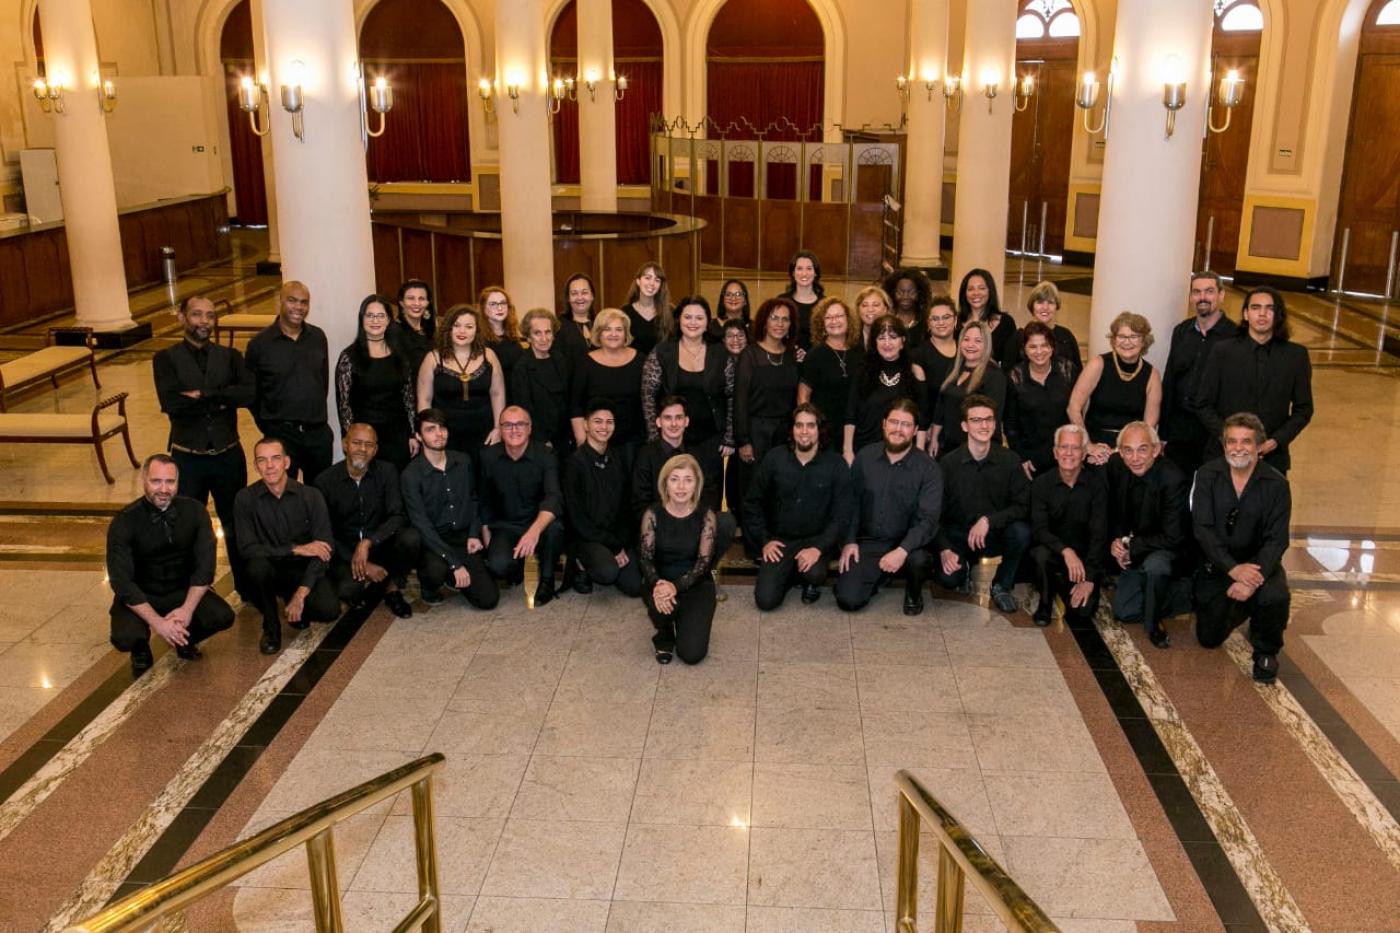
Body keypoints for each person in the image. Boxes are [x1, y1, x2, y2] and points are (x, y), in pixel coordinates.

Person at [152, 294, 255, 597]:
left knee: (235, 524)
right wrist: (223, 397)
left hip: (228, 456)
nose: (204, 322)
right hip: (188, 459)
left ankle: (247, 588)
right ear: (182, 317)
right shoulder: (165, 359)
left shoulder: (231, 356)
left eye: (210, 316)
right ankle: (193, 591)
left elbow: (247, 394)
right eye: (197, 315)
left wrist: (203, 394)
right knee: (189, 527)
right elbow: (171, 403)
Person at [107, 455, 235, 675]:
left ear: (178, 482)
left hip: (181, 590)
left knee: (222, 616)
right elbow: (122, 582)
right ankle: (140, 648)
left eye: (170, 482)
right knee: (124, 637)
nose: (163, 489)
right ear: (144, 480)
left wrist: (186, 610)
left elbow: (205, 568)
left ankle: (182, 638)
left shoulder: (195, 512)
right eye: (156, 481)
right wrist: (158, 623)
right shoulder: (124, 521)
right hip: (142, 592)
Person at [1193, 413, 1293, 683]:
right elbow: (1202, 529)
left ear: (1259, 446)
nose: (1238, 448)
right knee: (1209, 638)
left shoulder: (1276, 485)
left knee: (1275, 597)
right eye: (1232, 442)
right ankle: (1243, 607)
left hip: (1259, 563)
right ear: (1224, 445)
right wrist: (1233, 569)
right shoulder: (1207, 476)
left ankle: (1266, 652)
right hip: (1220, 563)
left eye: (1246, 442)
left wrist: (1251, 578)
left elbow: (1277, 539)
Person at [235, 437, 341, 654]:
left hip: (301, 570)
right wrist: (296, 548)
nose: (270, 466)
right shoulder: (245, 499)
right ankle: (271, 626)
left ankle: (295, 606)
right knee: (256, 567)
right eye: (262, 460)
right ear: (256, 466)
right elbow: (247, 549)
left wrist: (301, 594)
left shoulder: (311, 496)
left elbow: (324, 547)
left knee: (329, 610)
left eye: (276, 458)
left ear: (287, 462)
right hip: (269, 569)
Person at [836, 399, 941, 615]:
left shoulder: (929, 468)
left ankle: (913, 591)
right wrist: (849, 541)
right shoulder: (865, 457)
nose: (898, 430)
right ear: (884, 424)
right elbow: (851, 503)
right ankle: (880, 575)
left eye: (906, 424)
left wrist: (902, 550)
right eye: (894, 422)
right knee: (848, 600)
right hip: (870, 543)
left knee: (919, 560)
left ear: (914, 431)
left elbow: (928, 520)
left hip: (908, 544)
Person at [1194, 287, 1313, 474]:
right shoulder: (1222, 351)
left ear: (1278, 315)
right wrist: (1231, 439)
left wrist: (1275, 441)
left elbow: (1304, 409)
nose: (1262, 313)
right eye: (1256, 307)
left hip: (1272, 458)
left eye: (1269, 308)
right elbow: (1202, 404)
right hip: (1223, 455)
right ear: (1246, 314)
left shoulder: (1296, 356)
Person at [747, 404, 851, 609]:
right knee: (765, 601)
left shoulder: (836, 464)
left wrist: (818, 548)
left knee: (815, 573)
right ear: (792, 429)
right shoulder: (774, 459)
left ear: (819, 430)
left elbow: (842, 514)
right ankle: (790, 575)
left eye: (811, 426)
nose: (804, 432)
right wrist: (765, 541)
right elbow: (752, 502)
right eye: (799, 425)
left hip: (816, 539)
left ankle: (807, 579)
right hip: (781, 540)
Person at [934, 395, 1031, 614]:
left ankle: (1002, 585)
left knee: (1022, 532)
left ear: (995, 424)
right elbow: (934, 514)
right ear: (964, 425)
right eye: (976, 420)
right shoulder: (948, 464)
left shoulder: (1010, 461)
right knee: (947, 579)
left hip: (995, 534)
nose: (984, 425)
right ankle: (966, 565)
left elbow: (1023, 506)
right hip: (959, 535)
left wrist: (989, 520)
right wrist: (944, 549)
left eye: (988, 419)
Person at [313, 424, 418, 618]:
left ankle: (392, 589)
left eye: (368, 444)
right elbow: (324, 532)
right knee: (349, 591)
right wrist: (356, 558)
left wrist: (368, 543)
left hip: (378, 543)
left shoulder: (387, 472)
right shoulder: (324, 482)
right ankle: (366, 582)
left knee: (411, 538)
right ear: (345, 445)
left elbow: (398, 516)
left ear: (376, 450)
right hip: (344, 550)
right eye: (356, 443)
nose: (362, 449)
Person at [400, 408, 500, 610]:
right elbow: (421, 525)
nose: (439, 434)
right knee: (435, 570)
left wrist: (474, 534)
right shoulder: (411, 475)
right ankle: (430, 585)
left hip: (463, 538)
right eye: (430, 429)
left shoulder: (463, 461)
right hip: (433, 542)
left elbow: (473, 499)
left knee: (488, 600)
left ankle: (453, 577)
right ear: (418, 436)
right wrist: (455, 563)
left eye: (442, 428)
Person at [1105, 422, 1191, 649]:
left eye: (1142, 449)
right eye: (1128, 450)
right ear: (1120, 452)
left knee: (1156, 568)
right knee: (1124, 611)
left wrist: (1130, 545)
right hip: (1136, 545)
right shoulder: (1116, 465)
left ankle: (1155, 624)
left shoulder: (1173, 479)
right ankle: (1162, 592)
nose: (1135, 458)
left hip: (1166, 549)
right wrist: (1116, 541)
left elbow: (1173, 536)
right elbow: (1112, 509)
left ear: (1156, 450)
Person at [641, 295, 734, 500]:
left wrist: (729, 435)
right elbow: (648, 394)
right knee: (673, 494)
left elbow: (731, 396)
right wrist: (655, 436)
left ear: (707, 322)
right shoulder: (663, 351)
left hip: (711, 439)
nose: (693, 323)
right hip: (673, 438)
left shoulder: (720, 353)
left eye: (699, 318)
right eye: (687, 317)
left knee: (708, 495)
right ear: (679, 320)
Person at [477, 406, 565, 605]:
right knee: (498, 565)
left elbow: (554, 498)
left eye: (520, 425)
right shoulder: (488, 457)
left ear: (530, 428)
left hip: (539, 523)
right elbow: (484, 500)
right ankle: (515, 566)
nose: (514, 430)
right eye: (507, 425)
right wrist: (486, 535)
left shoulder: (546, 455)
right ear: (499, 429)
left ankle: (547, 580)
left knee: (556, 529)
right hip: (505, 525)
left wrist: (533, 531)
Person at [734, 298, 802, 556]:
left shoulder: (794, 355)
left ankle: (779, 546)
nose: (779, 323)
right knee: (754, 492)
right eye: (774, 317)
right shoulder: (749, 355)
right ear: (764, 320)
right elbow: (739, 401)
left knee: (782, 490)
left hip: (785, 434)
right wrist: (743, 440)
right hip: (755, 432)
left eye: (785, 319)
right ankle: (755, 548)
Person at [246, 281, 333, 482]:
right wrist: (269, 426)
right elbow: (252, 394)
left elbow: (323, 382)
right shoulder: (259, 344)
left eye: (304, 302)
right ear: (280, 301)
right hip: (281, 436)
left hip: (317, 433)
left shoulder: (318, 337)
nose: (299, 307)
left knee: (319, 497)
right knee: (284, 496)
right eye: (292, 301)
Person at [640, 455, 719, 665]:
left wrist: (675, 587)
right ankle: (664, 636)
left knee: (691, 654)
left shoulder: (706, 515)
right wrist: (658, 586)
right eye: (674, 479)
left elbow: (703, 564)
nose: (681, 486)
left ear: (697, 485)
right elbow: (646, 558)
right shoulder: (652, 513)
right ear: (665, 483)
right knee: (660, 607)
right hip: (660, 581)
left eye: (688, 479)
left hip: (695, 584)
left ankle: (683, 620)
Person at [633, 396, 736, 554]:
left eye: (679, 418)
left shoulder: (699, 454)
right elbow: (640, 500)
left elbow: (709, 493)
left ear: (686, 421)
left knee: (725, 522)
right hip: (660, 527)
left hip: (692, 524)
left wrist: (692, 519)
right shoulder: (645, 455)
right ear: (658, 422)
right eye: (668, 418)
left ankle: (705, 568)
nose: (674, 424)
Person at [562, 400, 642, 597]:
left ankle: (607, 558)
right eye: (598, 421)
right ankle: (581, 565)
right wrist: (614, 546)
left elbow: (626, 505)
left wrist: (621, 542)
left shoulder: (618, 458)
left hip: (614, 535)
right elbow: (576, 518)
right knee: (608, 572)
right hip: (586, 536)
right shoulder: (574, 463)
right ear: (586, 425)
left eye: (609, 422)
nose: (604, 427)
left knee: (635, 586)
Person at [1160, 271, 1238, 474]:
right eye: (1197, 292)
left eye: (1209, 291)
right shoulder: (1181, 331)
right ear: (1191, 297)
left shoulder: (1236, 336)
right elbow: (1170, 381)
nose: (1202, 297)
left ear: (1221, 295)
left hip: (1214, 431)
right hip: (1180, 429)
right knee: (1178, 487)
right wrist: (1164, 432)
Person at [1028, 425, 1106, 626]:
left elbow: (1099, 534)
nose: (1069, 453)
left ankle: (1068, 583)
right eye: (1063, 447)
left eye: (1075, 448)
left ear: (1083, 453)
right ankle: (1045, 603)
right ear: (1055, 452)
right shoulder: (1041, 484)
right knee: (1040, 554)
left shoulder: (1097, 486)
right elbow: (1039, 530)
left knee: (1082, 613)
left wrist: (1089, 577)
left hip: (1085, 557)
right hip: (1054, 551)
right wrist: (1066, 551)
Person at [335, 294, 417, 471]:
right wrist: (351, 438)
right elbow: (344, 404)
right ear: (362, 319)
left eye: (380, 315)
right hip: (365, 437)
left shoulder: (400, 355)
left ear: (388, 320)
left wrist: (412, 434)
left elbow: (408, 397)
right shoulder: (349, 357)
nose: (375, 320)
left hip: (397, 434)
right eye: (370, 315)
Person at [1069, 311, 1162, 465]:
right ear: (1113, 340)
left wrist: (1118, 452)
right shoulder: (1098, 364)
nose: (1127, 342)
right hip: (1094, 442)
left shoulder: (1152, 375)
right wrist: (1089, 446)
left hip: (1131, 448)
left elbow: (1148, 427)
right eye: (1122, 336)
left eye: (1134, 336)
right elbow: (1073, 407)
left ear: (1144, 341)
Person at [416, 304, 506, 458]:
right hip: (445, 435)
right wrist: (428, 433)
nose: (462, 331)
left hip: (485, 434)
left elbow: (497, 394)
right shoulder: (433, 358)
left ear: (477, 330)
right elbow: (424, 400)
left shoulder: (489, 356)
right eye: (456, 325)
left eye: (469, 326)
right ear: (448, 329)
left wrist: (498, 428)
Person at [570, 307, 647, 470]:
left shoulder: (640, 361)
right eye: (607, 329)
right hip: (597, 441)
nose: (613, 334)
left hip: (633, 443)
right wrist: (583, 444)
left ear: (626, 333)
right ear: (598, 333)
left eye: (618, 329)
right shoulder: (585, 363)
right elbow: (575, 406)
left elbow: (648, 401)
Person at [844, 315, 927, 461]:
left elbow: (921, 420)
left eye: (893, 337)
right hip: (864, 451)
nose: (887, 343)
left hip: (904, 453)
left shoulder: (916, 372)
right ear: (874, 342)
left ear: (902, 341)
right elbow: (850, 414)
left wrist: (919, 457)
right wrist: (848, 451)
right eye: (881, 338)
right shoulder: (862, 371)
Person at [1005, 321, 1078, 479]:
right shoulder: (1015, 376)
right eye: (1032, 346)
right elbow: (1011, 424)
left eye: (1044, 345)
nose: (1039, 351)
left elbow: (1080, 410)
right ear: (1024, 348)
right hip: (1031, 457)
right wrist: (1021, 458)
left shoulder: (1069, 370)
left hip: (1066, 453)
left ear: (1052, 346)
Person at [930, 320, 1006, 457]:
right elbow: (940, 407)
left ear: (986, 345)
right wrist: (934, 438)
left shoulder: (994, 375)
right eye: (966, 339)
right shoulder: (954, 368)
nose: (971, 345)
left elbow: (992, 418)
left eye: (978, 341)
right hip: (947, 447)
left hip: (974, 451)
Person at [510, 308, 574, 454]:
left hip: (565, 438)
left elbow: (568, 400)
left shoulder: (561, 360)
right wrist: (542, 440)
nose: (544, 338)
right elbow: (524, 408)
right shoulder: (521, 367)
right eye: (537, 333)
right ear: (528, 336)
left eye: (548, 332)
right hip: (539, 440)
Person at [798, 296, 861, 440]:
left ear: (848, 320)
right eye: (828, 317)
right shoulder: (815, 355)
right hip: (824, 431)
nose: (834, 321)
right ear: (822, 323)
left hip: (855, 430)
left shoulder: (859, 353)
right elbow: (803, 397)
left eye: (839, 316)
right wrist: (809, 429)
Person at [1014, 281, 1082, 375]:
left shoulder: (1066, 335)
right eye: (1040, 302)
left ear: (1056, 306)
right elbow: (1009, 373)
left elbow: (1078, 371)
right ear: (1032, 306)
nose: (1045, 307)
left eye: (1050, 302)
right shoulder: (1018, 337)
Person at [957, 269, 1016, 368]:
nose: (976, 293)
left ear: (990, 291)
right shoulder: (956, 322)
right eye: (970, 289)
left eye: (982, 288)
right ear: (964, 293)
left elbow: (1010, 362)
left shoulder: (1006, 323)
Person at [909, 295, 960, 406]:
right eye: (935, 318)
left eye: (946, 317)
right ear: (928, 323)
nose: (941, 323)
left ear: (955, 320)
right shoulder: (918, 355)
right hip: (930, 421)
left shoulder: (966, 350)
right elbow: (919, 399)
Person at [621, 262, 674, 357]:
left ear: (661, 285)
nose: (652, 283)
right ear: (638, 281)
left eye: (657, 280)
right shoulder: (624, 313)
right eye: (647, 278)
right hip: (633, 369)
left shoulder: (670, 312)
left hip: (661, 369)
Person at [478, 285, 525, 391]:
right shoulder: (479, 341)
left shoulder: (513, 337)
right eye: (493, 304)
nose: (499, 308)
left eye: (503, 303)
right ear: (484, 308)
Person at [783, 250, 824, 347]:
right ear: (793, 273)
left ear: (815, 273)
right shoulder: (782, 301)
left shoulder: (824, 304)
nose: (804, 273)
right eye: (800, 268)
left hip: (816, 357)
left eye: (809, 269)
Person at [393, 278, 436, 372]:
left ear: (428, 303)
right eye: (410, 298)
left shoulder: (430, 330)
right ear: (401, 303)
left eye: (422, 299)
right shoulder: (393, 331)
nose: (417, 303)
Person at [883, 267, 934, 344]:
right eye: (900, 292)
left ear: (919, 294)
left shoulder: (926, 323)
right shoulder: (885, 320)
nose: (905, 297)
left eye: (911, 292)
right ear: (892, 293)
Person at [556, 272, 598, 364]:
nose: (580, 297)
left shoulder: (602, 323)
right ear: (568, 298)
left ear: (592, 296)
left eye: (584, 292)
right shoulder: (558, 326)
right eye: (574, 293)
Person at [709, 278, 751, 343]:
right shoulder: (710, 327)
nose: (733, 298)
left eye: (738, 294)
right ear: (722, 300)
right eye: (728, 294)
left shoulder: (755, 329)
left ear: (745, 300)